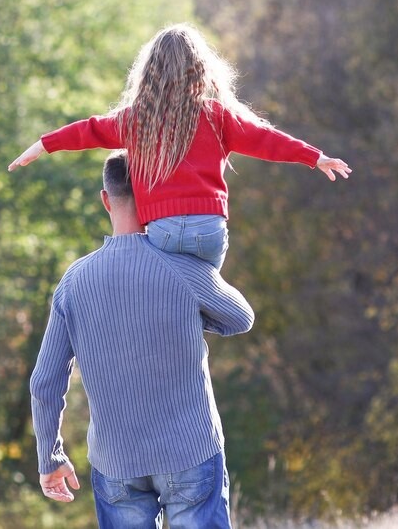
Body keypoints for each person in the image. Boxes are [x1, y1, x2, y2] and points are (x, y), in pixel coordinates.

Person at [29, 151, 255, 528]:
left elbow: (43, 383)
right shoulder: (184, 268)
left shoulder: (73, 282)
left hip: (115, 464)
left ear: (105, 199)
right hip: (191, 452)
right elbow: (240, 317)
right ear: (157, 195)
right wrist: (188, 312)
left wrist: (50, 459)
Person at [9, 23, 351, 269]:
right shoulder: (217, 116)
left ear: (149, 73)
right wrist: (315, 157)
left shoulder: (136, 120)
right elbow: (266, 140)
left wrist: (43, 144)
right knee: (202, 296)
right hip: (209, 229)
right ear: (201, 70)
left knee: (169, 297)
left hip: (163, 231)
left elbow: (90, 130)